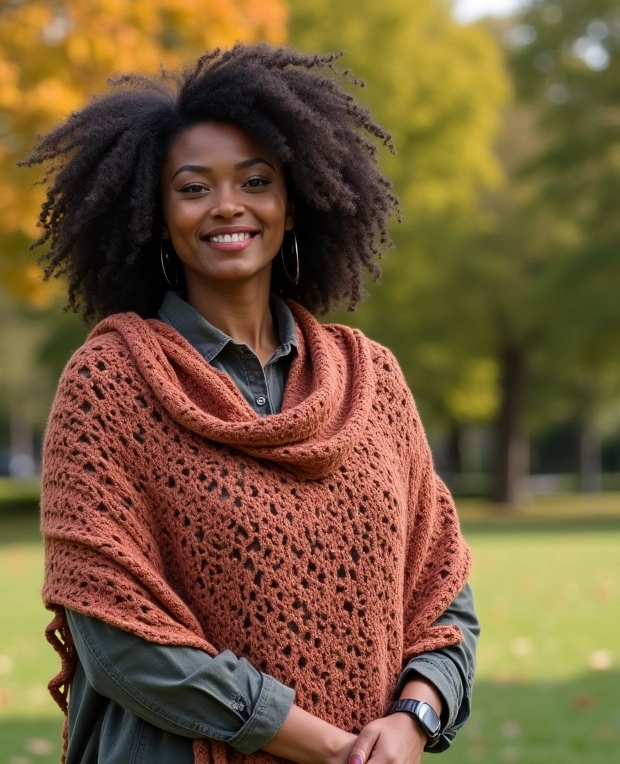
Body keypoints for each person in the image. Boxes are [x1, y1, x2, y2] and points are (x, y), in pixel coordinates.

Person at [26, 44, 479, 764]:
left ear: (292, 202)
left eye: (255, 181)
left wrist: (411, 720)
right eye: (194, 187)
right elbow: (117, 638)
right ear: (156, 210)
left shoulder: (373, 382)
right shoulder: (108, 385)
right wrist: (321, 743)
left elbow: (442, 596)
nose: (228, 206)